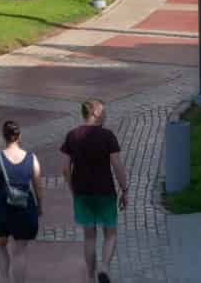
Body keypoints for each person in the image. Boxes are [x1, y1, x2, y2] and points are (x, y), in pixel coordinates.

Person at [61, 99, 129, 283]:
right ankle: (105, 267)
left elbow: (66, 169)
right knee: (110, 234)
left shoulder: (72, 136)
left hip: (82, 192)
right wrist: (125, 189)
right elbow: (117, 165)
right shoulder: (107, 136)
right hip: (105, 191)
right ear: (95, 112)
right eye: (104, 111)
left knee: (89, 237)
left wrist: (72, 189)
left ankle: (91, 278)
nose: (106, 114)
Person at [0, 118, 43, 282]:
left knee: (1, 246)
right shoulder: (32, 158)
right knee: (20, 252)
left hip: (1, 207)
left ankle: (4, 279)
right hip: (24, 207)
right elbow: (38, 186)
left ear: (3, 136)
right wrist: (40, 206)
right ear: (19, 136)